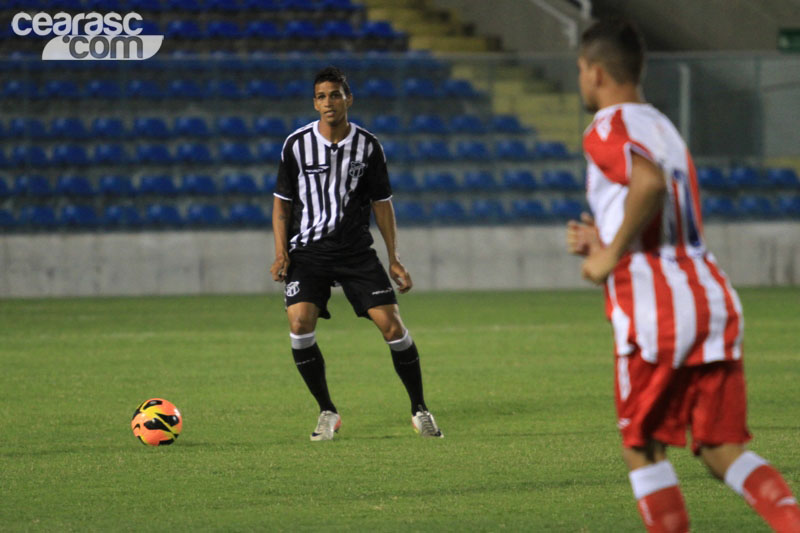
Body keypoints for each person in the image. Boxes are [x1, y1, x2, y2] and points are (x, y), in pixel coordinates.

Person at [567, 18, 800, 533]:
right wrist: (603, 239)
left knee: (642, 449)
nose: (580, 79)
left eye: (582, 69)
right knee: (721, 448)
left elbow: (646, 184)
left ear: (598, 73)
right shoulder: (662, 125)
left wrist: (608, 257)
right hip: (709, 296)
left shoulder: (606, 127)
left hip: (654, 310)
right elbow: (660, 199)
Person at [270, 66, 442, 441]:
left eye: (335, 94)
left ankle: (420, 409)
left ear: (349, 98)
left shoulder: (368, 146)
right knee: (299, 324)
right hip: (308, 251)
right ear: (314, 103)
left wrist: (394, 257)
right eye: (321, 96)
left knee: (392, 327)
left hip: (355, 252)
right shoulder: (296, 145)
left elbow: (382, 203)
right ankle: (327, 412)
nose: (328, 102)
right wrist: (281, 253)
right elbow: (282, 205)